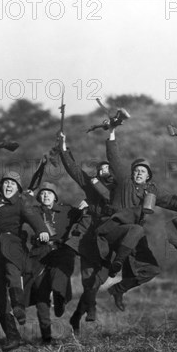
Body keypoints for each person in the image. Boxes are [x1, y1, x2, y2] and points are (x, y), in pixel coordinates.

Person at [100, 126, 177, 312]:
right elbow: (114, 158)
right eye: (137, 170)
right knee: (135, 233)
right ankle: (115, 266)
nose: (139, 173)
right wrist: (111, 133)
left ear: (148, 175)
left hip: (135, 234)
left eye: (143, 171)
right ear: (132, 172)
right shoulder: (124, 180)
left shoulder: (152, 190)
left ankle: (118, 289)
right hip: (116, 228)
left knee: (151, 270)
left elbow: (171, 200)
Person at [0, 140, 50, 352]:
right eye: (6, 183)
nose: (8, 186)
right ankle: (12, 336)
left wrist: (42, 230)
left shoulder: (22, 202)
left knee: (12, 270)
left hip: (13, 244)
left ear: (18, 189)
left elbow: (34, 218)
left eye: (12, 184)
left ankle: (18, 305)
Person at [58, 132, 114, 333]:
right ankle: (89, 310)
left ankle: (78, 314)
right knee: (88, 280)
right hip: (89, 240)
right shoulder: (91, 188)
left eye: (108, 167)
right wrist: (63, 147)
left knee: (98, 281)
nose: (105, 170)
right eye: (101, 169)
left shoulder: (120, 190)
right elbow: (74, 171)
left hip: (110, 241)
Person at [24, 182, 80, 343]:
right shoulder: (33, 211)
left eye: (49, 193)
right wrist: (27, 195)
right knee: (41, 296)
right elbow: (21, 206)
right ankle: (46, 337)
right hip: (39, 254)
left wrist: (85, 205)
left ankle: (60, 298)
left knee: (58, 276)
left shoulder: (67, 210)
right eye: (42, 194)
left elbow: (86, 214)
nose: (46, 196)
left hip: (60, 251)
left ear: (55, 196)